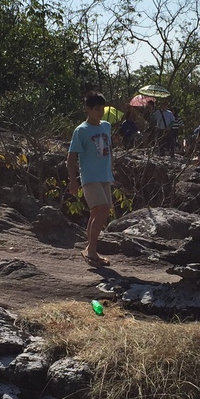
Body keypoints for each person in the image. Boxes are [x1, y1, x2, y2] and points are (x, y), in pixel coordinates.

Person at [67, 92, 115, 267]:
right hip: (90, 177)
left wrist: (111, 172)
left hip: (104, 176)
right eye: (96, 109)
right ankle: (92, 252)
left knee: (97, 212)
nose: (100, 112)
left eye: (102, 108)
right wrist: (73, 181)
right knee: (103, 209)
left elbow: (110, 150)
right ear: (88, 109)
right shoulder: (81, 130)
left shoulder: (107, 126)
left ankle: (89, 249)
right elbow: (71, 158)